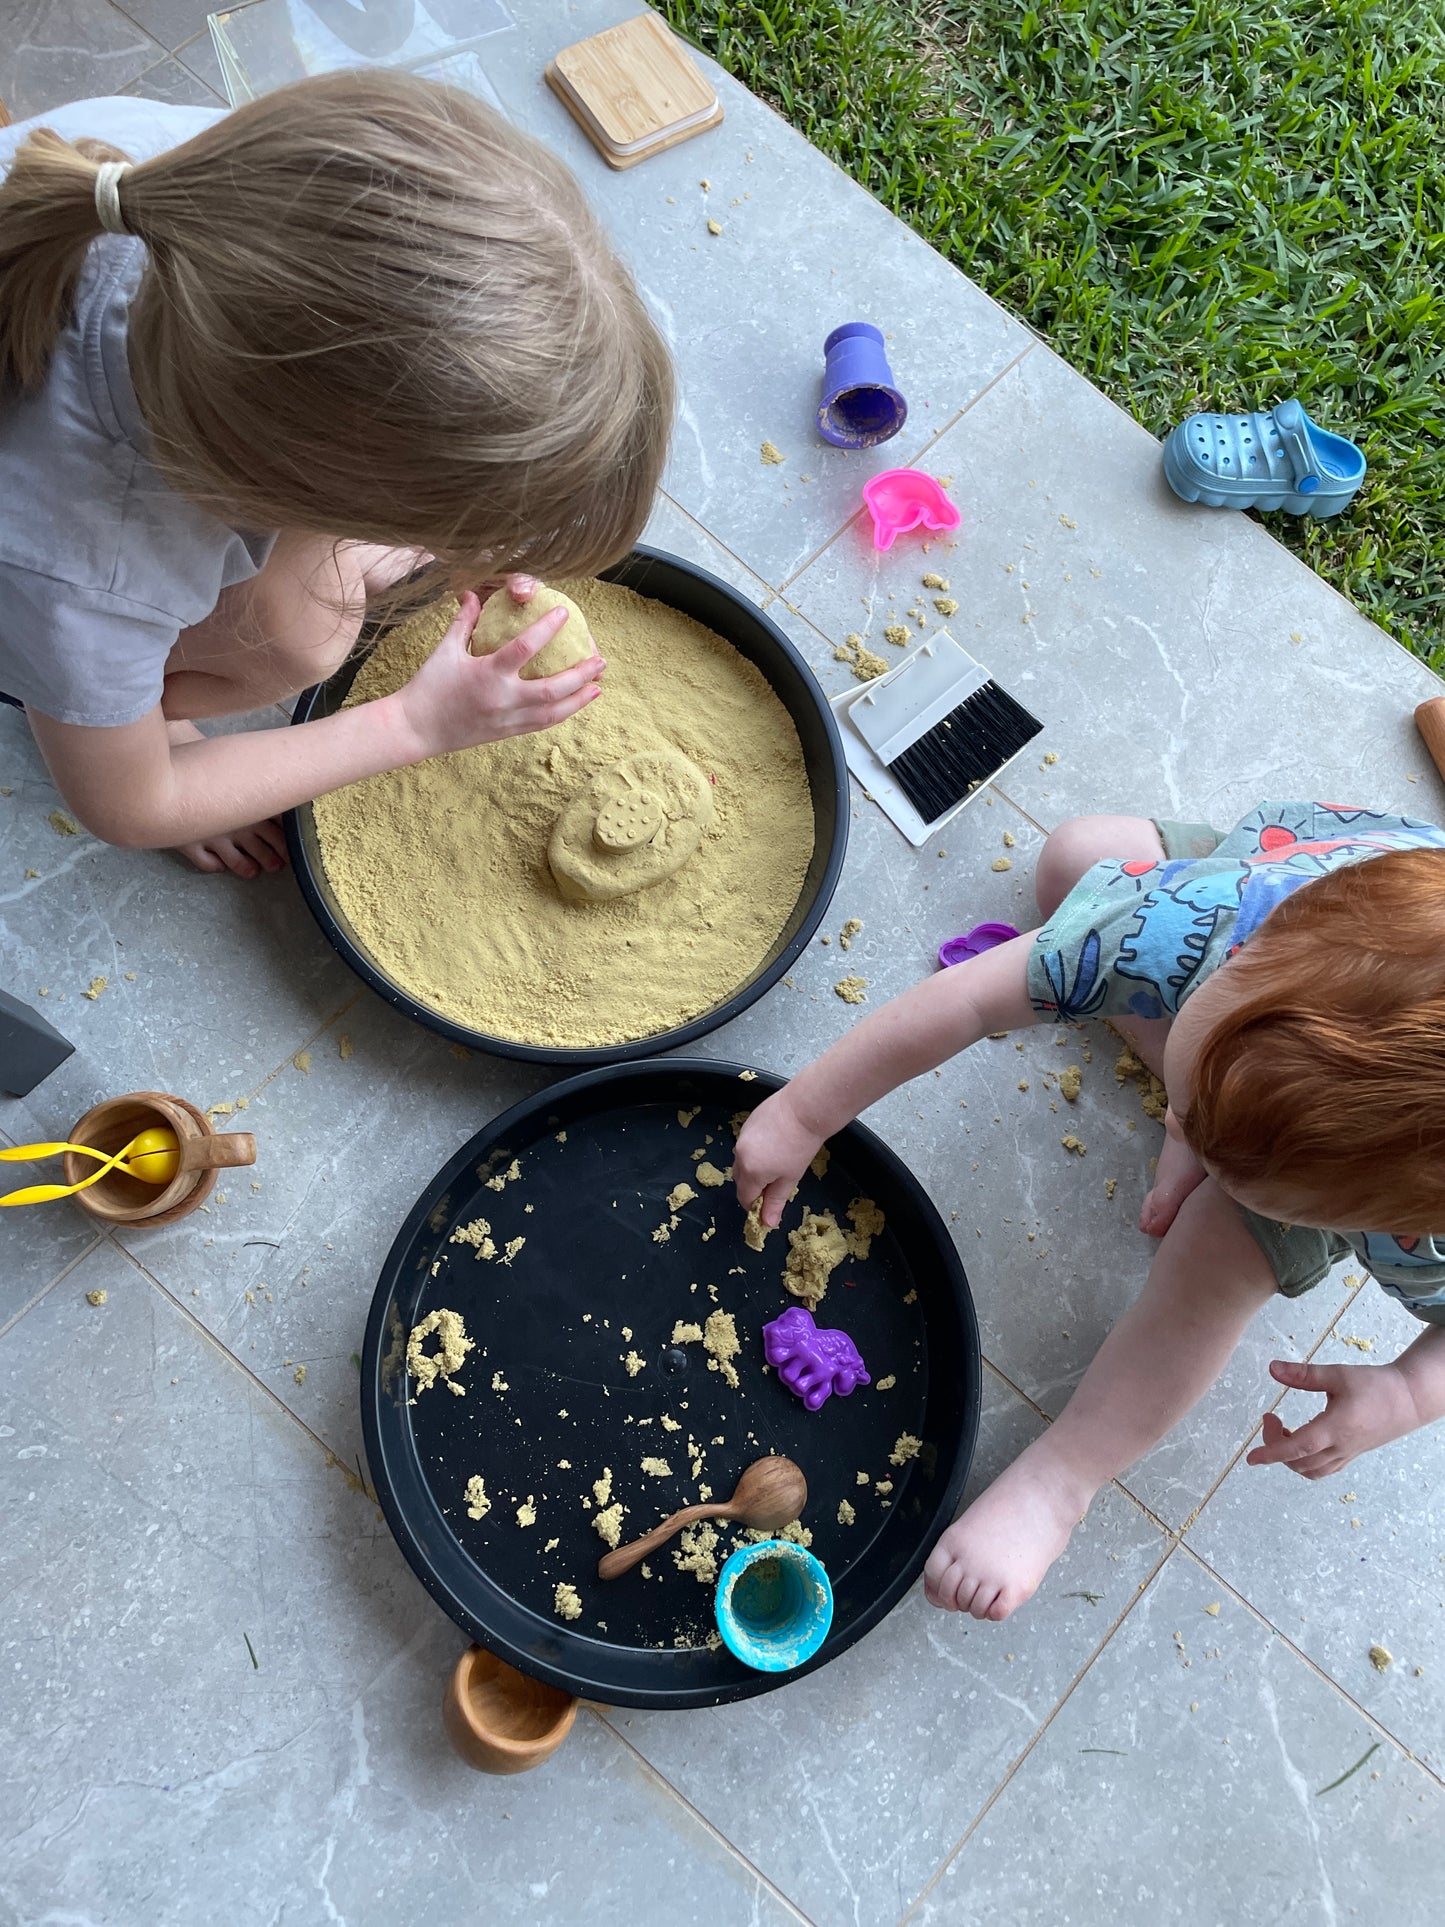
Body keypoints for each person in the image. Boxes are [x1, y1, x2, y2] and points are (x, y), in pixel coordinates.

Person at [734, 802, 1445, 1621]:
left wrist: (1403, 1392)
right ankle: (1198, 1066)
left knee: (1210, 1252)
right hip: (1322, 890)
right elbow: (969, 999)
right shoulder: (1212, 923)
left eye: (1230, 1162)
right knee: (1074, 859)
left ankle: (1062, 1477)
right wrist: (802, 1114)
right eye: (1189, 1107)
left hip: (1343, 1085)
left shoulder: (1419, 1238)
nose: (1187, 1140)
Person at [0, 73, 673, 877]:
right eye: (422, 520)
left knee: (308, 610)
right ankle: (144, 718)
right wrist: (416, 724)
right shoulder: (90, 568)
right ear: (279, 485)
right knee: (310, 632)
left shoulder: (246, 190)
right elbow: (128, 805)